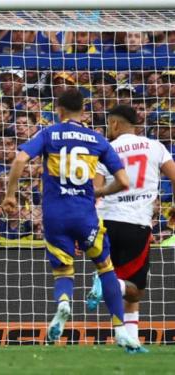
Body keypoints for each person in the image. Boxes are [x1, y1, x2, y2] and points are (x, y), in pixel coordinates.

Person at [1, 89, 143, 353]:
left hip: (55, 215)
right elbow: (124, 181)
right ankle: (120, 330)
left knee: (64, 271)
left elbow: (20, 158)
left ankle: (64, 302)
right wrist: (98, 191)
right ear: (83, 111)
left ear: (59, 110)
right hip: (85, 214)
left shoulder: (49, 134)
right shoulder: (98, 140)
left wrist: (10, 195)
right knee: (106, 268)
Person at [85, 105, 175, 347]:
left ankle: (129, 341)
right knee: (135, 290)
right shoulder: (156, 147)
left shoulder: (106, 149)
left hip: (106, 223)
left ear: (114, 124)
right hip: (137, 225)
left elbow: (95, 191)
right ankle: (110, 286)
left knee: (115, 279)